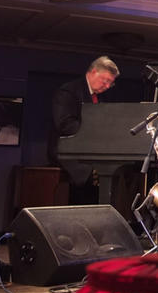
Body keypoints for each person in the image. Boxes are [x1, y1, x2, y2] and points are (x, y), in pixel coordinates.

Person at [50, 56, 119, 204]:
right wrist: (95, 134)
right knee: (89, 184)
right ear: (93, 72)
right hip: (68, 154)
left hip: (88, 153)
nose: (107, 86)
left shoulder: (100, 97)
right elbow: (64, 124)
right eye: (105, 81)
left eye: (110, 83)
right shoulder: (68, 91)